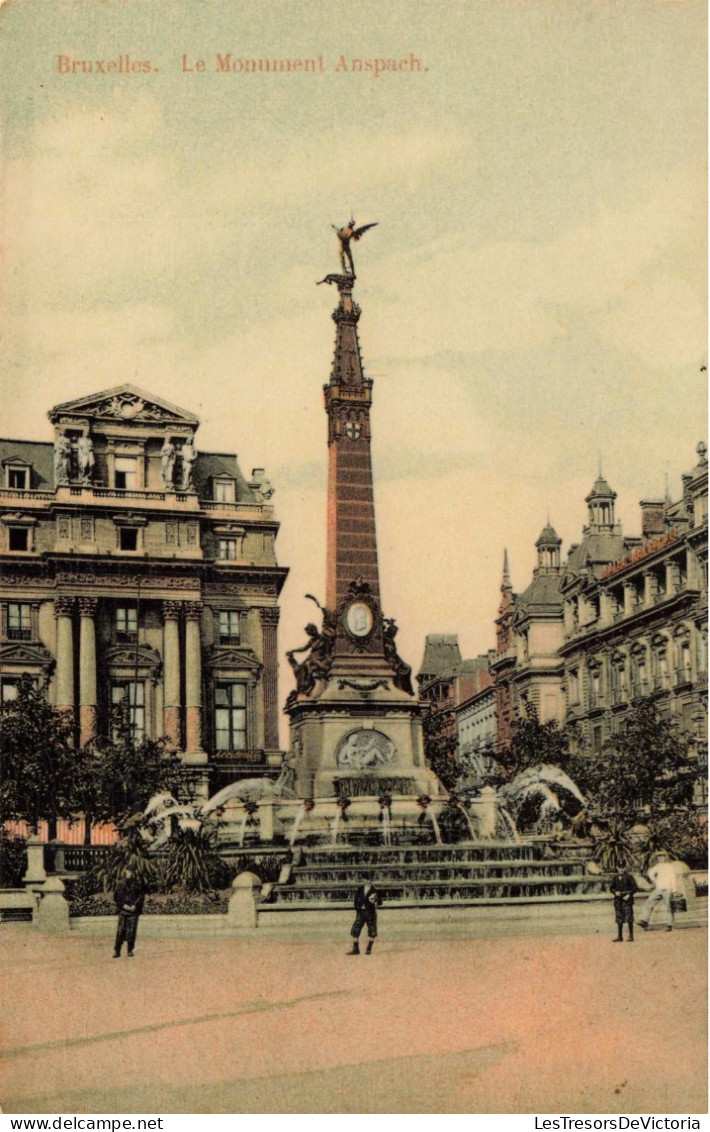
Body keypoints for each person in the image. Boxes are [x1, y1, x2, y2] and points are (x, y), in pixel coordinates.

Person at [637, 851, 678, 933]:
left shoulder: (669, 866)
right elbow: (650, 873)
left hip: (667, 889)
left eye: (662, 857)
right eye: (659, 858)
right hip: (658, 888)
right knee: (649, 902)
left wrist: (674, 890)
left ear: (665, 858)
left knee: (668, 907)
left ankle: (669, 924)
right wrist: (655, 881)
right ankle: (644, 921)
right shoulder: (657, 866)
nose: (660, 859)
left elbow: (673, 878)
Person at [113, 866, 145, 958]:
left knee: (131, 932)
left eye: (131, 872)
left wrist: (135, 905)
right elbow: (116, 897)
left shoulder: (137, 883)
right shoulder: (120, 883)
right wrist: (123, 905)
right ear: (125, 872)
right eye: (128, 871)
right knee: (120, 932)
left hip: (133, 911)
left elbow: (141, 896)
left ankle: (130, 950)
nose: (129, 873)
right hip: (123, 911)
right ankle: (117, 950)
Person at [347, 876, 382, 955]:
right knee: (355, 930)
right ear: (364, 880)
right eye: (367, 879)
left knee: (372, 930)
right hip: (361, 912)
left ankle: (369, 949)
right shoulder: (360, 889)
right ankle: (356, 949)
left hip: (371, 912)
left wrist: (375, 901)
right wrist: (358, 910)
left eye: (370, 880)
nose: (369, 881)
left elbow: (380, 902)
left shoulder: (375, 890)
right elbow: (355, 901)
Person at [610, 868, 638, 942]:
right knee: (619, 918)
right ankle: (620, 936)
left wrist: (629, 894)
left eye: (622, 868)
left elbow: (635, 888)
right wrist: (615, 892)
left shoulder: (629, 877)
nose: (621, 869)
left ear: (625, 868)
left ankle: (631, 936)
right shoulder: (615, 877)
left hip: (627, 899)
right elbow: (611, 888)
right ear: (617, 868)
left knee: (629, 917)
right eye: (619, 867)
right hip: (618, 900)